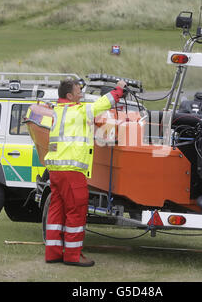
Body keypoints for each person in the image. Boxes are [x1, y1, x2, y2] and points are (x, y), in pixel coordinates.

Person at [44, 78, 126, 267]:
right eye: (78, 91)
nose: (81, 94)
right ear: (69, 96)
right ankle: (73, 255)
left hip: (56, 170)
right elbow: (102, 104)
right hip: (72, 171)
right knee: (76, 211)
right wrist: (119, 90)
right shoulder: (78, 111)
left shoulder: (58, 111)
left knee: (56, 211)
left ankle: (53, 253)